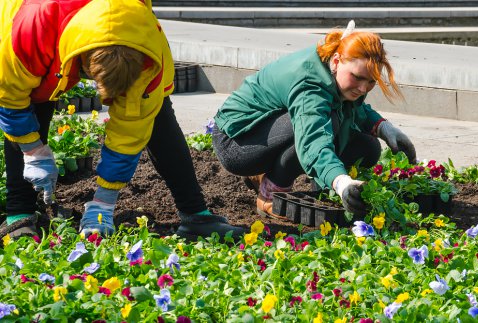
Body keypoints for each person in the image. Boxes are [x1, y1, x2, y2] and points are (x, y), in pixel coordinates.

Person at [0, 0, 244, 241]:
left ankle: (195, 215)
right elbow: (10, 97)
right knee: (34, 101)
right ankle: (19, 215)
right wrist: (33, 151)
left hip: (106, 39)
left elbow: (131, 128)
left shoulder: (148, 50)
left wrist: (103, 202)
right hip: (33, 37)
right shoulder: (31, 27)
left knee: (157, 114)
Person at [213, 21, 416, 220]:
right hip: (237, 142)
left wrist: (384, 128)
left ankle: (311, 183)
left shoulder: (337, 71)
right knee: (327, 124)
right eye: (357, 77)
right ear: (336, 61)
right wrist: (341, 182)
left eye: (371, 81)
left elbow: (354, 108)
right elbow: (313, 140)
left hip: (268, 130)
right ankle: (271, 193)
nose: (363, 88)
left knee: (367, 147)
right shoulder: (309, 84)